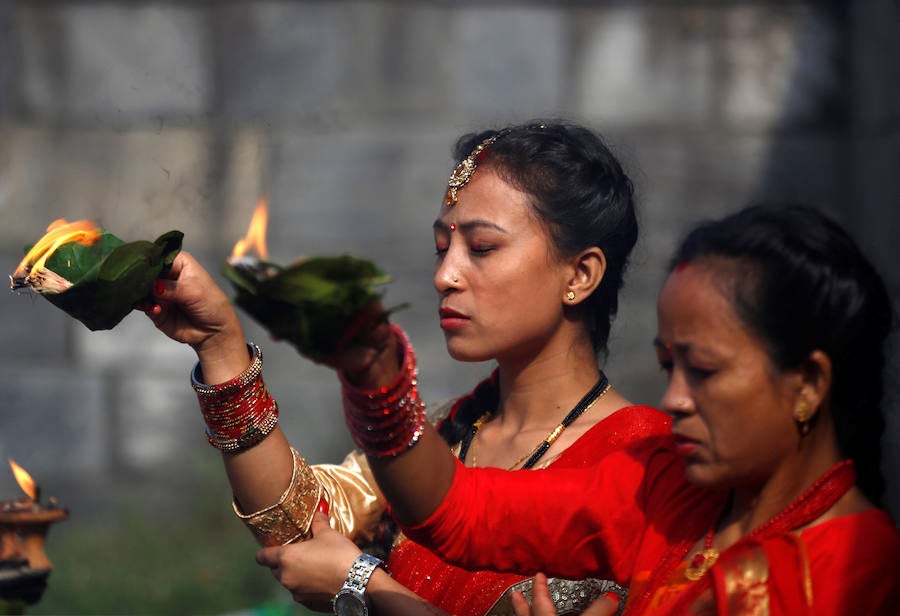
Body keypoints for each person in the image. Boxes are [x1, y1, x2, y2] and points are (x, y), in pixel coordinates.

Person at [143, 121, 672, 615]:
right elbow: (301, 529)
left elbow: (344, 572)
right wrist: (220, 347)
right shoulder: (444, 431)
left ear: (580, 273)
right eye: (442, 248)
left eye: (482, 248)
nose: (445, 275)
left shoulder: (650, 463)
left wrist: (368, 590)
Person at [348, 204, 900, 614]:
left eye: (704, 372)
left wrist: (367, 590)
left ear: (807, 383)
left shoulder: (853, 558)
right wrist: (376, 378)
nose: (676, 400)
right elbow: (458, 512)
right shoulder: (664, 490)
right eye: (668, 369)